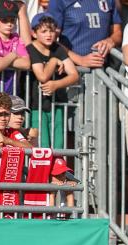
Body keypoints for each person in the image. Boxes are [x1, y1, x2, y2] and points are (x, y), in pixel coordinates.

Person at [27, 13, 78, 149]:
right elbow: (42, 77)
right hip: (37, 105)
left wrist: (57, 84)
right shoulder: (31, 49)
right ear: (34, 33)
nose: (49, 34)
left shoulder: (58, 48)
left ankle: (58, 171)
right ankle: (43, 171)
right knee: (41, 145)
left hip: (57, 104)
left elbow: (74, 74)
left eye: (51, 30)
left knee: (58, 145)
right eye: (44, 31)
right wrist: (54, 61)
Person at [47, 0, 123, 68]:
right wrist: (80, 60)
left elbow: (117, 32)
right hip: (72, 71)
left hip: (105, 69)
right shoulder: (58, 1)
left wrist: (111, 40)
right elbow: (49, 40)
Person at [0, 0, 31, 94]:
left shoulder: (17, 38)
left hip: (13, 93)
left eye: (12, 20)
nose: (9, 24)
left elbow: (26, 64)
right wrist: (13, 55)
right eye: (4, 20)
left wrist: (2, 60)